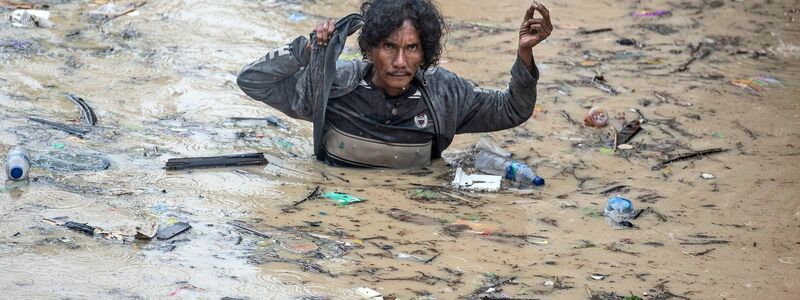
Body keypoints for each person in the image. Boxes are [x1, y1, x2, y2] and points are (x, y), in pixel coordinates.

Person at [237, 0, 553, 168]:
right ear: (370, 49)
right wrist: (304, 51)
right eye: (389, 47)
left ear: (424, 52)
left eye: (412, 48)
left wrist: (524, 54)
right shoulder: (333, 85)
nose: (400, 62)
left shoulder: (444, 94)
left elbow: (513, 109)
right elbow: (252, 81)